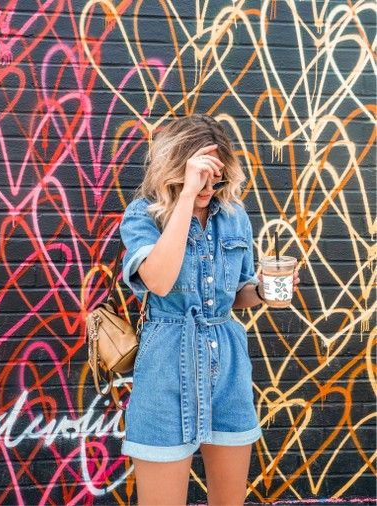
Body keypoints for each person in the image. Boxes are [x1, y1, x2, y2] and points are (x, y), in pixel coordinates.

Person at [119, 114, 300, 505]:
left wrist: (265, 291)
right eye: (200, 174)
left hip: (228, 366)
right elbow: (160, 281)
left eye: (216, 177)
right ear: (176, 167)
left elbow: (237, 293)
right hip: (167, 364)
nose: (208, 186)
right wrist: (185, 196)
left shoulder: (234, 216)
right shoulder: (143, 215)